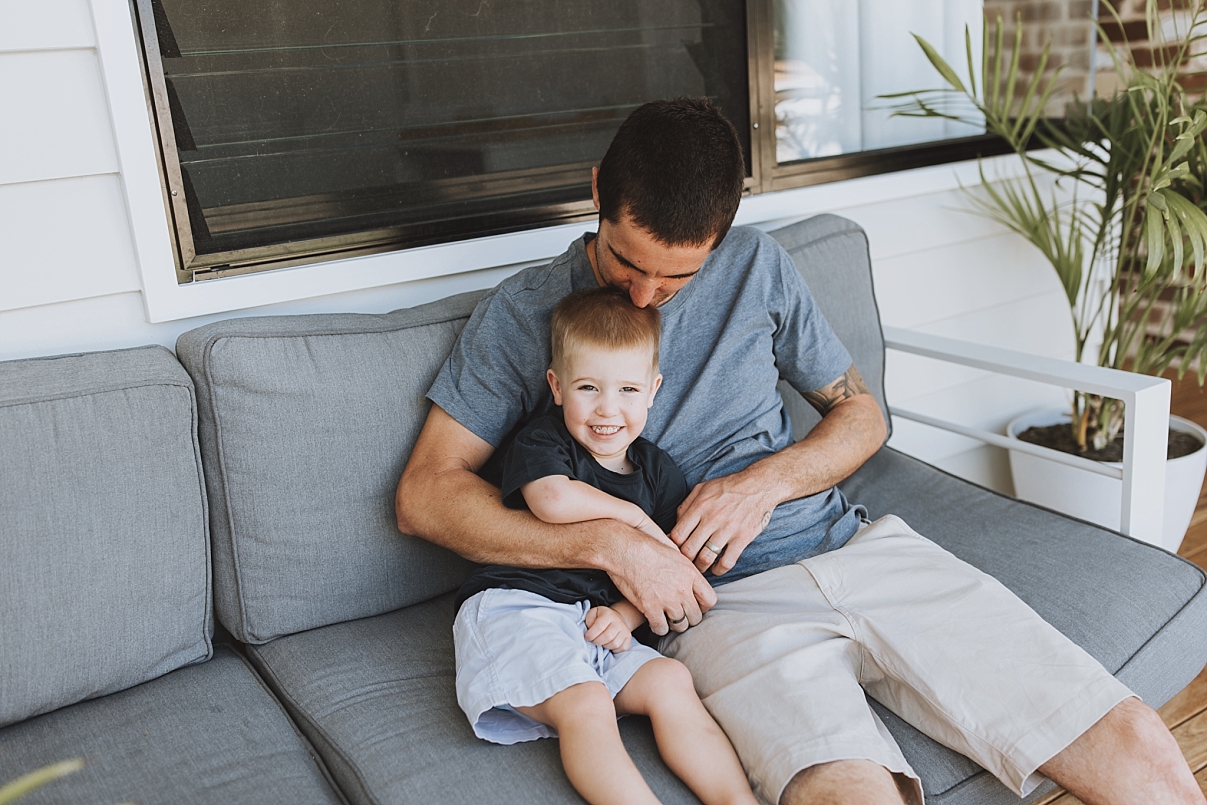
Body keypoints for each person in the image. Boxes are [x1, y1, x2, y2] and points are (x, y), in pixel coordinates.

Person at [396, 98, 1205, 805]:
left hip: (857, 547)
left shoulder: (757, 266)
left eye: (674, 280)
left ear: (721, 236)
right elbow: (426, 493)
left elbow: (861, 415)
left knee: (1126, 734)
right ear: (599, 190)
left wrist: (762, 483)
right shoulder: (524, 314)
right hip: (717, 607)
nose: (641, 296)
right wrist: (610, 543)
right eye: (624, 262)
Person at [452, 285, 757, 805]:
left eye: (628, 390)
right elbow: (551, 499)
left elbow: (670, 565)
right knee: (587, 702)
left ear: (654, 390)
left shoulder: (657, 470)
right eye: (589, 387)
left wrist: (626, 615)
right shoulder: (544, 440)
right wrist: (631, 516)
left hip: (594, 624)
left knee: (670, 679)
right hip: (517, 608)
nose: (607, 409)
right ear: (557, 386)